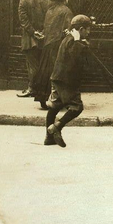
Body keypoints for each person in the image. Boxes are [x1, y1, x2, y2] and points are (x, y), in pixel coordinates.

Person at [45, 15, 92, 148]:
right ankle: (56, 127)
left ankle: (49, 138)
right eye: (87, 30)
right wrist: (79, 43)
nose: (88, 32)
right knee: (77, 107)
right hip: (67, 81)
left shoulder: (69, 39)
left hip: (57, 78)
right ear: (81, 29)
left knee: (54, 107)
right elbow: (75, 58)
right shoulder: (73, 41)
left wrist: (81, 42)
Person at [32, 0, 73, 109]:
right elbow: (69, 29)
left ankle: (42, 99)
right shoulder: (66, 11)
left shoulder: (50, 10)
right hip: (59, 45)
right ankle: (60, 99)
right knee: (59, 73)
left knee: (45, 71)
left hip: (47, 44)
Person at [17, 0, 52, 98]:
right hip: (45, 38)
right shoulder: (49, 2)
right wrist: (42, 32)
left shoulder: (23, 1)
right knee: (43, 65)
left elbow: (23, 21)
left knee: (32, 65)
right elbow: (50, 21)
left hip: (29, 39)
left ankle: (32, 88)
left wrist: (33, 33)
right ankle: (40, 90)